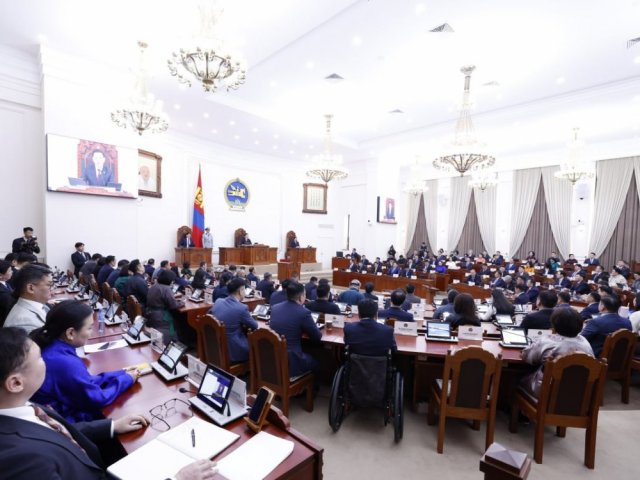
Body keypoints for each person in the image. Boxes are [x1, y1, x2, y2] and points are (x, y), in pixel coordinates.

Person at [0, 327, 216, 480]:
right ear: (16, 383)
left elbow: (60, 430)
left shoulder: (21, 406)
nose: (47, 360)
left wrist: (112, 426)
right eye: (40, 358)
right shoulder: (21, 460)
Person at [30, 301, 138, 422]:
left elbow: (85, 381)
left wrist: (122, 373)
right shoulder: (65, 362)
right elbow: (97, 399)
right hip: (68, 423)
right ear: (70, 333)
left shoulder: (54, 346)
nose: (91, 333)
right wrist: (127, 379)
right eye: (89, 328)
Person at [520, 308, 594, 397]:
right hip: (581, 395)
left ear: (554, 325)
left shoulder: (548, 341)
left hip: (548, 392)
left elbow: (526, 356)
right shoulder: (585, 342)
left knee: (517, 377)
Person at [269, 282, 322, 377]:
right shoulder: (303, 312)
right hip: (291, 360)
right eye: (305, 295)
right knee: (318, 361)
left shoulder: (275, 308)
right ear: (301, 297)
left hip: (273, 357)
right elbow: (317, 336)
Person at [209, 278, 258, 363]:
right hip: (234, 350)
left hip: (215, 345)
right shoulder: (242, 308)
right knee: (258, 345)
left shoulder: (218, 301)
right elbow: (255, 326)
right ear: (240, 291)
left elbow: (209, 314)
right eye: (244, 290)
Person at [3, 264, 51, 333]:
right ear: (31, 288)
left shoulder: (40, 304)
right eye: (49, 285)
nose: (52, 288)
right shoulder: (23, 323)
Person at [146, 269, 185, 344]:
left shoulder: (154, 286)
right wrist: (182, 303)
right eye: (172, 280)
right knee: (180, 318)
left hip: (150, 314)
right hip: (161, 317)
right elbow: (173, 305)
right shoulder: (166, 289)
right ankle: (175, 342)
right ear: (169, 280)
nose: (173, 282)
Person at [0, 260, 16, 326]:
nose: (12, 272)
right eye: (9, 271)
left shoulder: (5, 283)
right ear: (0, 275)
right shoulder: (2, 293)